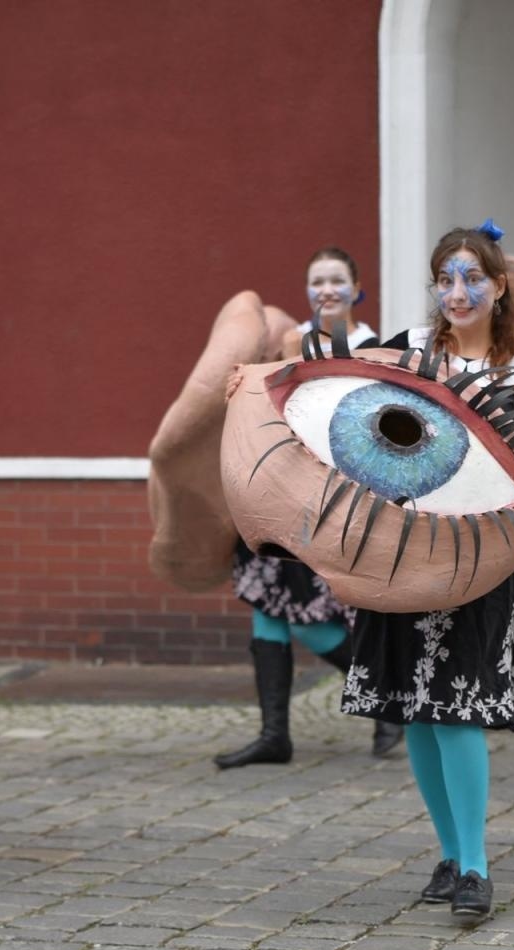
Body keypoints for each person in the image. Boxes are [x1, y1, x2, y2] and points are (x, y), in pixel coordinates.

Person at [340, 221, 514, 920]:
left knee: (455, 709)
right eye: (445, 279)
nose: (457, 293)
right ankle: (450, 854)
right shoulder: (406, 353)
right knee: (417, 712)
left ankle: (476, 867)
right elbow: (346, 416)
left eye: (472, 279)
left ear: (499, 287)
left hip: (483, 561)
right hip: (404, 555)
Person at [223, 247, 401, 767]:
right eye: (317, 281)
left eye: (336, 280)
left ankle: (386, 701)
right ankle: (274, 734)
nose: (326, 290)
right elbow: (265, 412)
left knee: (311, 616)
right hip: (282, 493)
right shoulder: (289, 342)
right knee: (267, 605)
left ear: (357, 287)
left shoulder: (377, 349)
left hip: (342, 501)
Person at [280, 246, 378, 357]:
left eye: (338, 281)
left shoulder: (369, 347)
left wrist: (293, 359)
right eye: (317, 282)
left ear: (355, 290)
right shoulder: (294, 339)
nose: (327, 291)